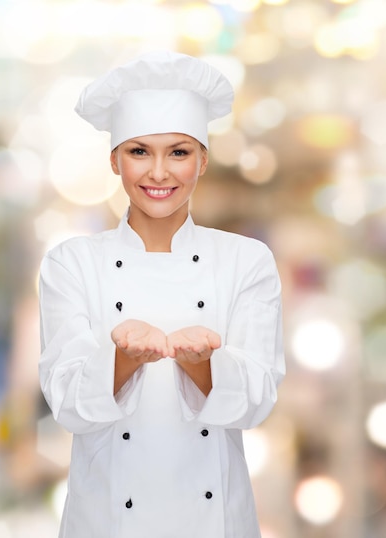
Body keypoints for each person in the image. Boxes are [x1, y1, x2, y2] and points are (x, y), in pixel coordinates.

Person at [39, 50, 285, 538]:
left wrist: (201, 364)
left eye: (178, 152)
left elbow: (258, 400)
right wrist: (124, 359)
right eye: (138, 152)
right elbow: (66, 402)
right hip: (107, 523)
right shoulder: (71, 264)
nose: (158, 173)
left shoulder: (246, 261)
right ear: (114, 159)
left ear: (203, 160)